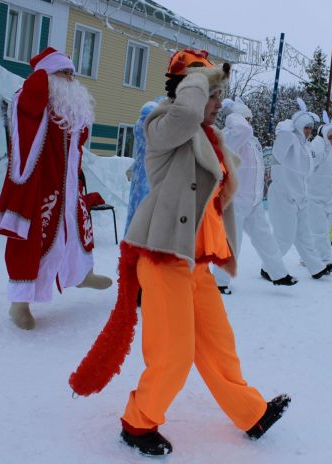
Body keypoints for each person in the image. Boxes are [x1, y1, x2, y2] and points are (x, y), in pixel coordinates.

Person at [69, 50, 290, 456]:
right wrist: (197, 78)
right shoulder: (161, 124)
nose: (219, 103)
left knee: (218, 347)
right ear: (189, 90)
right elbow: (186, 115)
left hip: (196, 261)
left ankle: (250, 413)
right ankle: (138, 423)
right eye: (212, 94)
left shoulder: (207, 135)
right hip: (163, 256)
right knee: (173, 353)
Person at [0, 47, 112, 330]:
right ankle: (19, 304)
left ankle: (83, 274)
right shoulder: (33, 98)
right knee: (33, 242)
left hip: (69, 187)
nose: (71, 79)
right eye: (64, 72)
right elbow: (31, 95)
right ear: (47, 76)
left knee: (77, 233)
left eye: (73, 73)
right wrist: (42, 75)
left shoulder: (67, 108)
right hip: (39, 188)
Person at [212, 97, 297, 294]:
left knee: (266, 240)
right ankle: (220, 281)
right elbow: (242, 130)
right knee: (232, 242)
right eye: (246, 118)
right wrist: (234, 112)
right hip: (235, 201)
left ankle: (279, 274)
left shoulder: (251, 141)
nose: (249, 123)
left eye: (249, 119)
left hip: (254, 202)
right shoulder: (230, 137)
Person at [268, 98, 332, 279]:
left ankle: (316, 267)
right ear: (297, 126)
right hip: (285, 195)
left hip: (300, 197)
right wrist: (287, 133)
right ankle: (268, 267)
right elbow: (277, 153)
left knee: (304, 236)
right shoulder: (289, 140)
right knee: (285, 237)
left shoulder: (305, 146)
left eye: (310, 128)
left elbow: (306, 171)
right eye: (305, 127)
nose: (308, 131)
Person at [307, 111, 332, 266]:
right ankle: (326, 260)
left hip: (329, 202)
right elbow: (309, 164)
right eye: (330, 137)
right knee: (320, 231)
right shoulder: (318, 151)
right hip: (314, 198)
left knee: (320, 232)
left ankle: (308, 258)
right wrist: (319, 145)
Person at [124, 98, 163, 237]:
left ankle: (131, 241)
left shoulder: (139, 125)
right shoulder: (151, 128)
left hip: (139, 173)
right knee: (145, 213)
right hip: (149, 174)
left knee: (135, 211)